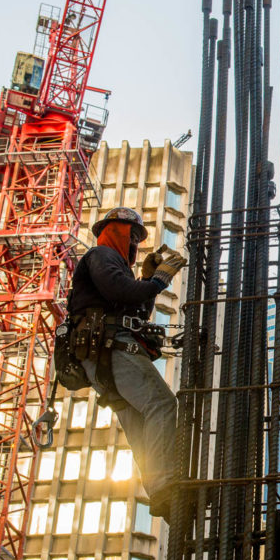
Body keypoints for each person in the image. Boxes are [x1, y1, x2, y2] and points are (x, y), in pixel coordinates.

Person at [64, 207, 187, 520]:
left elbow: (135, 307)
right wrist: (158, 280)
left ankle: (160, 492)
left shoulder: (114, 263)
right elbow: (122, 291)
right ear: (113, 230)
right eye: (130, 236)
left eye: (137, 239)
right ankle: (165, 483)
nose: (133, 244)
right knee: (161, 404)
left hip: (101, 355)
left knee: (140, 420)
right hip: (111, 348)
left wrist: (147, 279)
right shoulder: (101, 255)